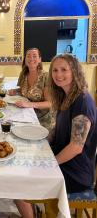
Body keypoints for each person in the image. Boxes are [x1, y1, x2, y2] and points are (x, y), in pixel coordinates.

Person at [48, 54, 97, 194]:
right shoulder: (65, 95)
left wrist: (50, 163)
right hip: (63, 160)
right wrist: (43, 140)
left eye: (64, 69)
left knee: (22, 180)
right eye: (55, 70)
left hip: (75, 173)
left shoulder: (82, 102)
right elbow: (58, 128)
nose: (58, 74)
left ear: (74, 71)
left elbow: (76, 147)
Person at [8, 48, 53, 130]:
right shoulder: (24, 74)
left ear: (39, 59)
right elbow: (25, 90)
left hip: (42, 119)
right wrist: (15, 91)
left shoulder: (46, 77)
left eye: (34, 56)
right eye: (28, 56)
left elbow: (49, 103)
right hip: (26, 113)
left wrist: (29, 104)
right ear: (25, 59)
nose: (31, 59)